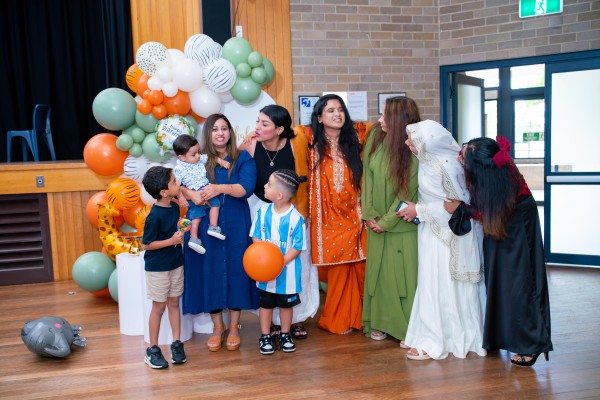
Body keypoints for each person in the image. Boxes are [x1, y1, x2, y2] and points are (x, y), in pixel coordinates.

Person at [447, 136, 552, 367]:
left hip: (518, 224)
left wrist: (462, 209)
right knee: (498, 280)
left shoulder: (501, 178)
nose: (460, 154)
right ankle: (502, 336)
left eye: (464, 154)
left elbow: (487, 210)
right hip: (502, 222)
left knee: (520, 284)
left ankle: (531, 344)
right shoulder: (491, 168)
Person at [398, 119, 487, 361]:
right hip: (432, 232)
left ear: (428, 143)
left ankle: (437, 339)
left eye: (413, 140)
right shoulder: (428, 162)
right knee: (429, 285)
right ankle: (423, 333)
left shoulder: (447, 167)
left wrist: (418, 210)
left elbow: (457, 208)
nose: (407, 143)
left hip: (447, 239)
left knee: (441, 287)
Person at [181, 113, 259, 352]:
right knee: (209, 270)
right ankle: (218, 326)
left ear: (230, 132)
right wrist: (189, 193)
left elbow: (246, 188)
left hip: (235, 222)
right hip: (204, 223)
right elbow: (179, 180)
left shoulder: (242, 158)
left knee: (237, 270)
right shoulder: (198, 157)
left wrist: (219, 188)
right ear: (208, 133)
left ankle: (234, 326)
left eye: (224, 128)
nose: (220, 133)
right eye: (215, 129)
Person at [239, 104, 318, 341]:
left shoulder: (296, 143)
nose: (257, 127)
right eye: (257, 121)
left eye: (264, 123)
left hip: (291, 211)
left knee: (296, 264)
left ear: (279, 129)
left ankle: (296, 318)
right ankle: (272, 322)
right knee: (266, 263)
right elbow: (238, 170)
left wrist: (304, 212)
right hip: (261, 211)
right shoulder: (251, 144)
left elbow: (307, 176)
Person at [360, 96, 419, 344]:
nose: (380, 119)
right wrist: (369, 213)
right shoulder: (375, 135)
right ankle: (379, 321)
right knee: (379, 277)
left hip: (402, 226)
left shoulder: (414, 146)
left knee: (404, 279)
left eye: (385, 116)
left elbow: (407, 192)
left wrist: (385, 222)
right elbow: (367, 175)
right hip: (375, 222)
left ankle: (409, 329)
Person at [307, 94, 367, 335]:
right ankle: (337, 319)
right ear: (320, 118)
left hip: (355, 215)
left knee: (359, 268)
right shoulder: (310, 144)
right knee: (339, 269)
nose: (337, 114)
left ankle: (359, 318)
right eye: (330, 110)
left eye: (340, 109)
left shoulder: (357, 140)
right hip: (327, 218)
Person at [250, 169, 307, 354]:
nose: (264, 186)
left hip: (287, 275)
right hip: (265, 275)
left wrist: (281, 261)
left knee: (286, 306)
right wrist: (263, 258)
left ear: (280, 195)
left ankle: (284, 334)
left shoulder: (296, 218)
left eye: (269, 184)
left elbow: (297, 246)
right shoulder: (262, 212)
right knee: (265, 305)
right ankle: (265, 335)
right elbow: (256, 236)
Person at [141, 166, 186, 369]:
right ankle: (153, 349)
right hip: (157, 268)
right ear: (164, 192)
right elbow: (147, 244)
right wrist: (171, 241)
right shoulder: (154, 216)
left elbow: (173, 229)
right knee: (159, 307)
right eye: (174, 182)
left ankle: (177, 344)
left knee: (174, 302)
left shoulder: (174, 207)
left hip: (175, 263)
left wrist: (181, 228)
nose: (178, 183)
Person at [172, 134, 228, 254]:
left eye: (198, 152)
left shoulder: (198, 159)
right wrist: (181, 198)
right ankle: (196, 237)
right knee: (199, 214)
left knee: (210, 207)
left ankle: (210, 228)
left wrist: (222, 162)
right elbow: (177, 185)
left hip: (203, 189)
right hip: (195, 192)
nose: (198, 156)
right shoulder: (179, 169)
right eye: (194, 154)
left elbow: (211, 158)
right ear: (181, 157)